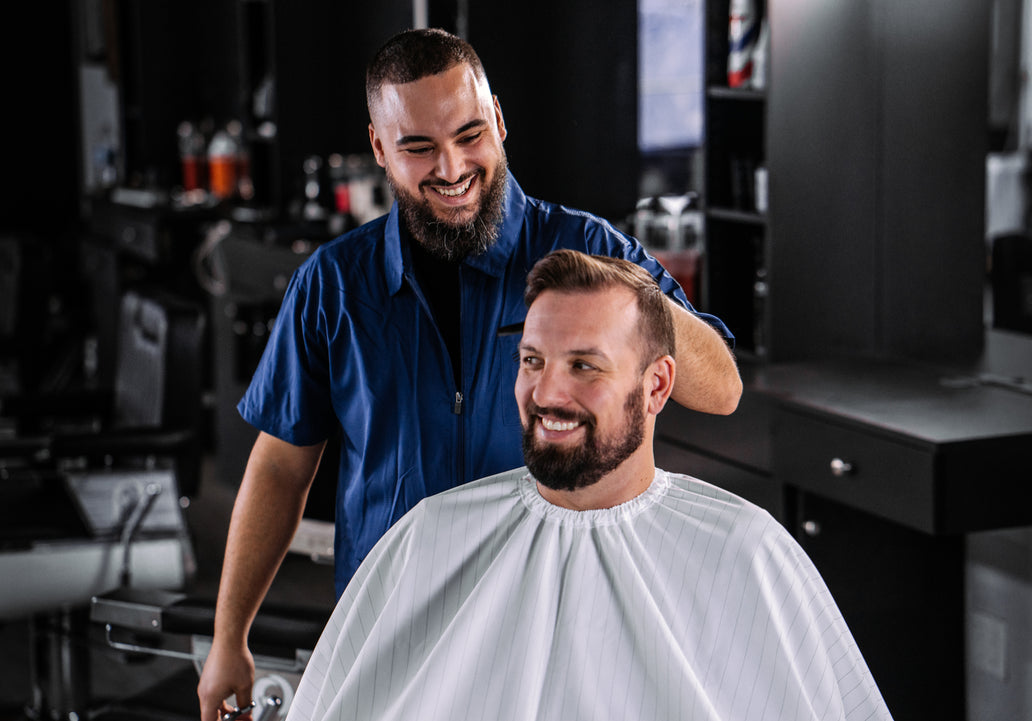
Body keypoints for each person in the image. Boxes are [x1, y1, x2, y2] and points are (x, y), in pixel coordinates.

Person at [198, 29, 742, 721]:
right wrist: (228, 637)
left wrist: (623, 292)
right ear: (378, 149)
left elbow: (720, 387)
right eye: (417, 146)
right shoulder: (332, 285)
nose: (451, 166)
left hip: (554, 629)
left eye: (470, 133)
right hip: (391, 632)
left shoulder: (590, 252)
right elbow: (279, 469)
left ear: (500, 123)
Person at [282, 250, 892, 721]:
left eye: (585, 366)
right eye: (532, 360)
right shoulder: (428, 535)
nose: (547, 394)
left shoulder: (748, 552)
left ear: (657, 387)